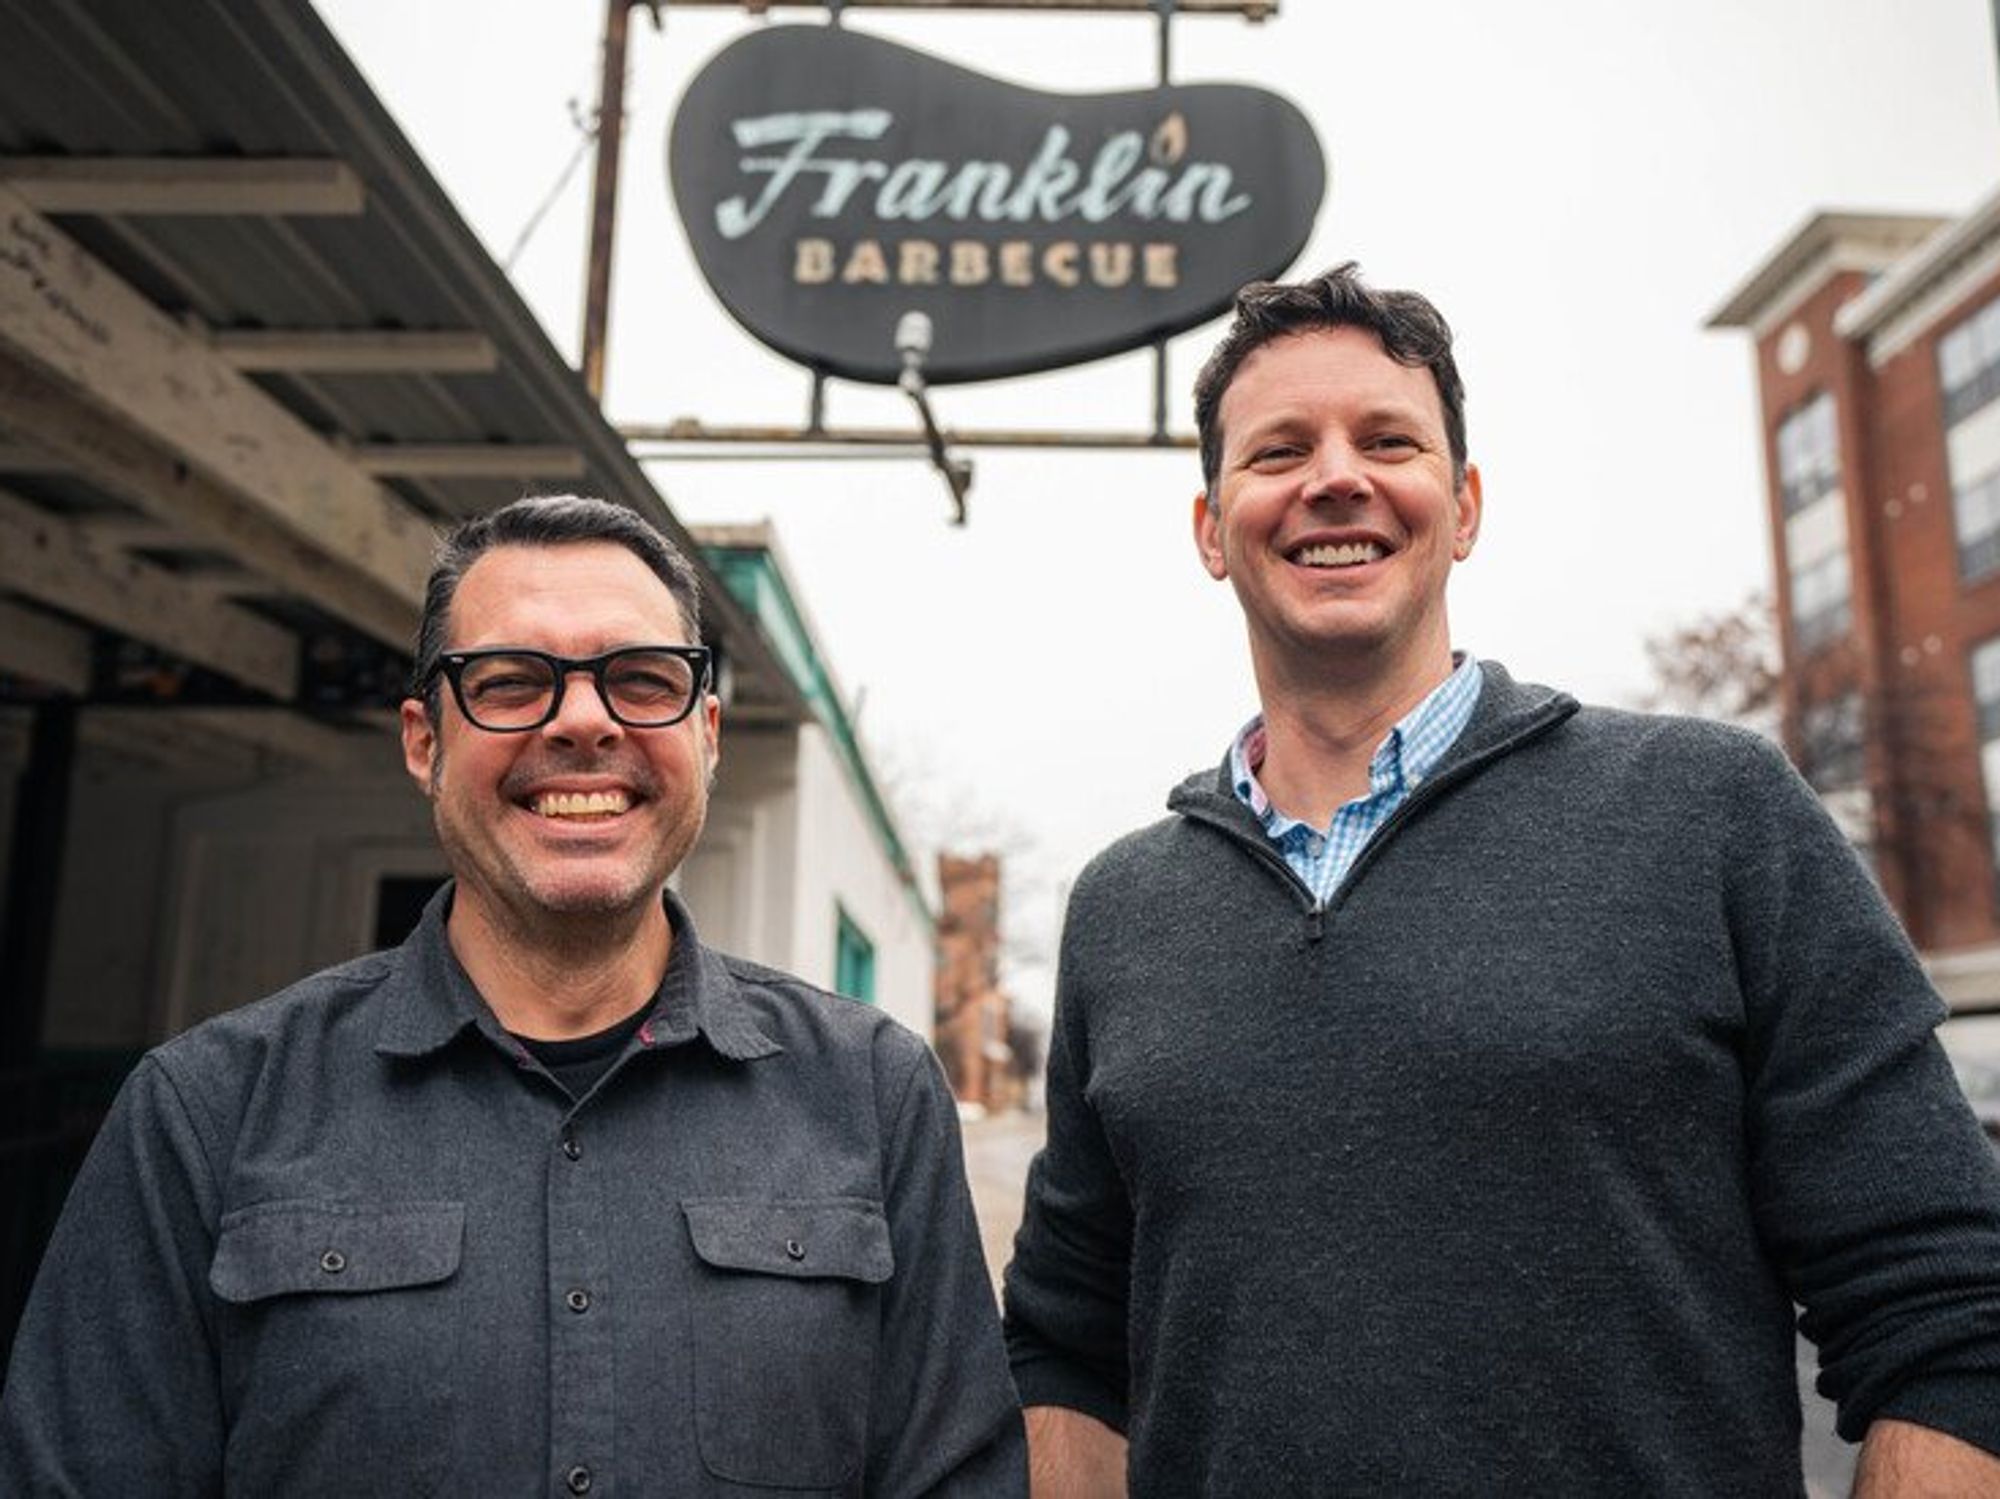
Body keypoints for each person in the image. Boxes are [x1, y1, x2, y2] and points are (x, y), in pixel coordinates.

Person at [1002, 265, 2000, 1496]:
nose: (1334, 477)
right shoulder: (1122, 909)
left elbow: (1949, 1307)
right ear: (1212, 527)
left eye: (1386, 440)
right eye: (1276, 450)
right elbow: (1065, 1339)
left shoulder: (1709, 813)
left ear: (1461, 506)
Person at [1, 494, 1025, 1496]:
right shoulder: (205, 1110)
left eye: (640, 678)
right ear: (422, 739)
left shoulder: (874, 1095)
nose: (583, 719)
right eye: (509, 681)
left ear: (707, 732)